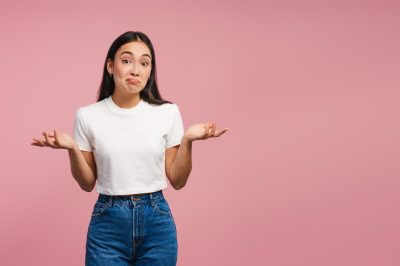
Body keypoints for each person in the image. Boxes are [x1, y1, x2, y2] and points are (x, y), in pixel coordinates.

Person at [31, 31, 228, 265]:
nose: (136, 70)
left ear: (150, 71)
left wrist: (187, 141)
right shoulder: (88, 116)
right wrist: (72, 149)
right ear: (110, 66)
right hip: (108, 223)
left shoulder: (167, 112)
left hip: (157, 222)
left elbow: (178, 180)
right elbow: (86, 183)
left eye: (144, 63)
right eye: (127, 61)